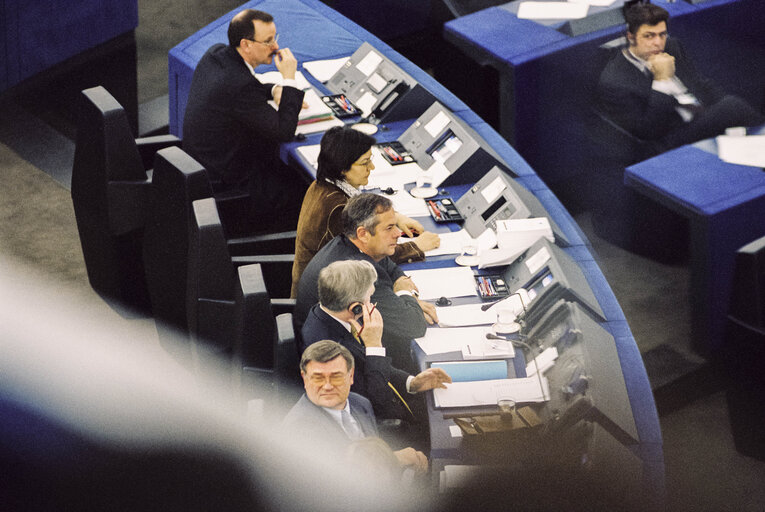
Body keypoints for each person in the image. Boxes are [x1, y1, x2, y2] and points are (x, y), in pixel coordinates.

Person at [183, 9, 307, 230]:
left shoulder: (216, 55)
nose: (276, 47)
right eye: (268, 41)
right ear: (246, 44)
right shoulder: (239, 86)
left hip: (205, 171)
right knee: (307, 190)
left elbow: (245, 88)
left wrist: (274, 90)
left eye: (275, 39)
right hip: (230, 187)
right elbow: (283, 130)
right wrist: (288, 80)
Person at [290, 126, 440, 297]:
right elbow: (367, 258)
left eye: (371, 159)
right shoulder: (337, 209)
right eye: (364, 163)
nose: (372, 167)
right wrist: (416, 246)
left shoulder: (323, 185)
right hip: (324, 300)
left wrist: (396, 218)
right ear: (342, 168)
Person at [294, 194, 438, 367]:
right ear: (363, 233)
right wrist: (406, 294)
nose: (398, 233)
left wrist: (400, 283)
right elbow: (414, 325)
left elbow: (389, 265)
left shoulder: (351, 243)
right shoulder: (356, 275)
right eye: (389, 228)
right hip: (338, 363)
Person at [598, 3, 764, 153]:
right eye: (649, 36)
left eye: (662, 34)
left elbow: (700, 83)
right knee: (732, 107)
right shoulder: (614, 81)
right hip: (667, 136)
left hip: (700, 116)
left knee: (729, 107)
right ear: (631, 37)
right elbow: (647, 132)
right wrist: (661, 81)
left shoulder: (672, 46)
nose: (658, 43)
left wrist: (720, 113)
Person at [301, 260, 451, 420]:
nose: (372, 304)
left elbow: (366, 365)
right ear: (355, 308)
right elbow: (377, 404)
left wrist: (410, 382)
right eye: (370, 299)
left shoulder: (330, 313)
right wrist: (374, 345)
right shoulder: (331, 351)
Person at [282, 340, 429, 475]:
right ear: (305, 379)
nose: (327, 386)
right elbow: (340, 478)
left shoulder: (360, 403)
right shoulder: (299, 431)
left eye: (336, 377)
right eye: (318, 378)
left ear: (351, 376)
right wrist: (394, 459)